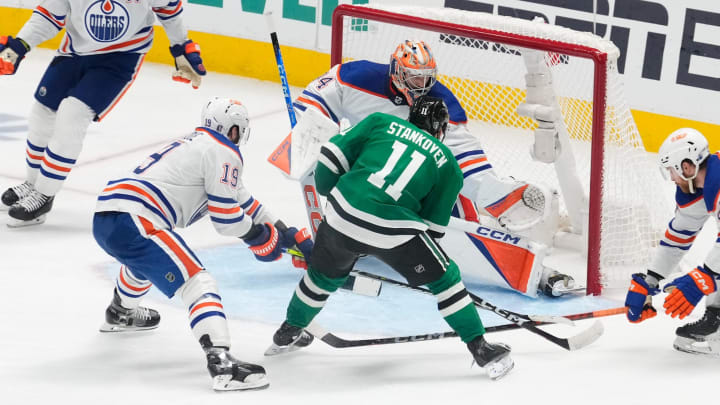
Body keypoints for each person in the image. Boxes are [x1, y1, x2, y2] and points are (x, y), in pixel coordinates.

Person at [288, 39, 572, 297]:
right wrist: (314, 130)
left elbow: (463, 158)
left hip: (413, 180)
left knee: (455, 202)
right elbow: (315, 98)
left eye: (426, 78)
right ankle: (346, 241)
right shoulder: (358, 77)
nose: (420, 84)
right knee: (331, 168)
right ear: (396, 72)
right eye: (414, 76)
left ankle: (506, 258)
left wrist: (490, 190)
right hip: (368, 169)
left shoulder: (442, 103)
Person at [265, 96, 514, 381]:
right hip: (393, 230)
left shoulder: (380, 122)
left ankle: (288, 332)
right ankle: (480, 347)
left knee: (321, 278)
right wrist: (404, 259)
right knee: (446, 279)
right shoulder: (448, 165)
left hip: (339, 213)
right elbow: (432, 230)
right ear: (441, 128)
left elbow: (331, 156)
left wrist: (331, 193)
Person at [92, 97, 314, 391]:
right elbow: (226, 218)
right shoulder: (223, 151)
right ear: (234, 130)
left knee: (145, 262)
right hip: (136, 217)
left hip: (108, 216)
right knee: (198, 282)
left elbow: (246, 203)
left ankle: (121, 311)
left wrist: (287, 234)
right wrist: (260, 238)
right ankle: (221, 363)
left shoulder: (200, 146)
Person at [0, 0, 207, 227]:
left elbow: (168, 8)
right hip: (74, 53)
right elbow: (49, 15)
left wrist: (180, 45)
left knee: (73, 114)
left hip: (120, 59)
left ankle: (44, 195)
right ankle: (33, 184)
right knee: (42, 112)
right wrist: (20, 45)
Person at [625, 128, 720, 356]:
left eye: (672, 170)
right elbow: (678, 237)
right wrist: (650, 280)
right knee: (713, 269)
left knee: (712, 270)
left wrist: (703, 278)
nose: (672, 178)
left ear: (686, 167)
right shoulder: (699, 187)